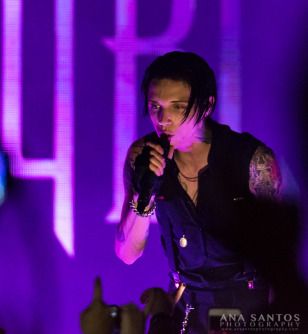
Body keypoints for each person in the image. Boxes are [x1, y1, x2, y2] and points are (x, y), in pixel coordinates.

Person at [115, 51, 282, 333]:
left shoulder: (253, 160)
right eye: (155, 106)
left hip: (246, 303)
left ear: (207, 105)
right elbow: (127, 253)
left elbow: (281, 256)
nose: (163, 119)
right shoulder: (142, 156)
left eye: (177, 107)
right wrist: (143, 195)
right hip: (185, 303)